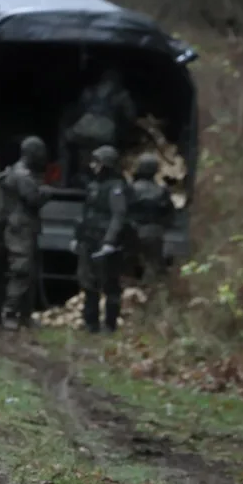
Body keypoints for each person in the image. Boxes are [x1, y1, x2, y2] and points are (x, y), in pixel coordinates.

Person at [73, 145, 129, 333]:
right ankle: (91, 323)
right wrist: (77, 237)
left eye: (96, 162)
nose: (92, 165)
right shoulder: (93, 186)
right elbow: (85, 213)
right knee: (88, 284)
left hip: (105, 243)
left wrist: (109, 241)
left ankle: (110, 324)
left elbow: (118, 215)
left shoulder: (116, 187)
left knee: (110, 285)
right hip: (89, 240)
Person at [0, 136, 49, 330]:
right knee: (21, 269)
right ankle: (10, 312)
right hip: (21, 229)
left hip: (25, 227)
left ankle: (25, 314)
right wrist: (45, 193)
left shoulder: (19, 172)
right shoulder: (22, 175)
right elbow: (33, 199)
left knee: (31, 272)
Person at [63, 69, 138, 186]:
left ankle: (71, 177)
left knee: (72, 144)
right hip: (105, 133)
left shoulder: (88, 91)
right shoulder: (122, 95)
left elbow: (79, 109)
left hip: (82, 130)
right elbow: (130, 116)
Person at [128, 152, 173, 282]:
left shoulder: (131, 189)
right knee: (155, 267)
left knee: (129, 268)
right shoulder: (162, 190)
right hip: (154, 232)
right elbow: (169, 213)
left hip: (134, 231)